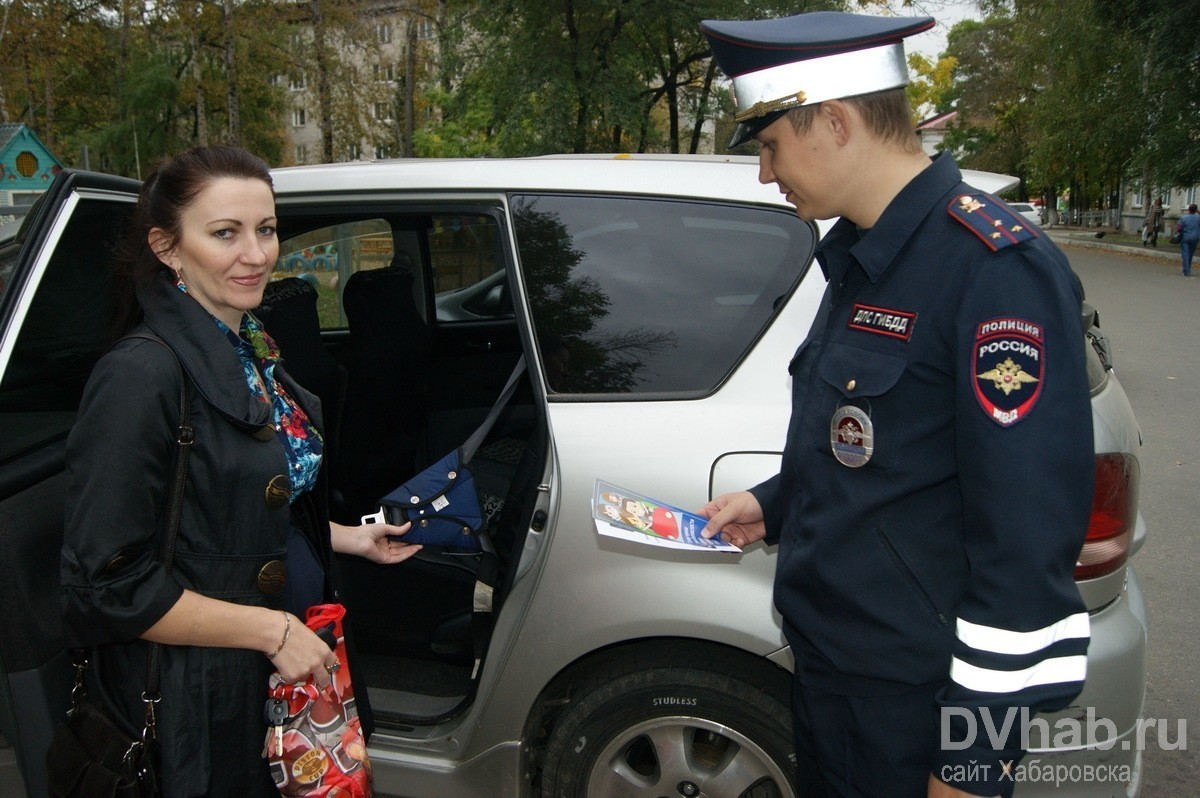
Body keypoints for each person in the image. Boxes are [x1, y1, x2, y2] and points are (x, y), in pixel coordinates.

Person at [698, 12, 1092, 798]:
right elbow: (881, 451)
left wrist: (972, 763)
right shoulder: (864, 257)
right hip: (835, 674)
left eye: (770, 145)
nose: (766, 175)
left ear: (835, 122)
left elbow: (1023, 551)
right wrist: (774, 504)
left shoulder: (994, 272)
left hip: (919, 710)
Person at [60, 145, 422, 795]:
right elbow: (104, 586)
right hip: (201, 696)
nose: (256, 254)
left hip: (291, 659)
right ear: (168, 247)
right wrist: (271, 629)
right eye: (225, 233)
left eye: (266, 229)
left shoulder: (249, 346)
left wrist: (342, 536)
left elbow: (235, 504)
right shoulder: (140, 377)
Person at [1176, 202, 1200, 276]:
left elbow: (1179, 228)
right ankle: (1188, 269)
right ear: (1196, 210)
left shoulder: (1184, 217)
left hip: (1185, 237)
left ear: (1189, 209)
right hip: (1195, 238)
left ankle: (1186, 271)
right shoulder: (1198, 218)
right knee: (1190, 254)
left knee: (1185, 254)